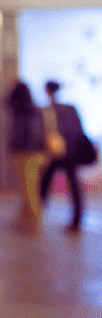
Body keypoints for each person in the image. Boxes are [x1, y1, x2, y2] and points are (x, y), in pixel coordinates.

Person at [39, 80, 94, 233]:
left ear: (47, 91)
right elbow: (79, 130)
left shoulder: (49, 109)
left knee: (45, 184)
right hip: (71, 153)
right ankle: (76, 220)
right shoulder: (70, 108)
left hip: (59, 153)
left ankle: (36, 216)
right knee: (72, 185)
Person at [7, 81, 46, 233]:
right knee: (27, 187)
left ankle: (35, 221)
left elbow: (25, 134)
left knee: (28, 188)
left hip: (25, 153)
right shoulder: (34, 110)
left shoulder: (21, 111)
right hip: (36, 153)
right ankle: (25, 217)